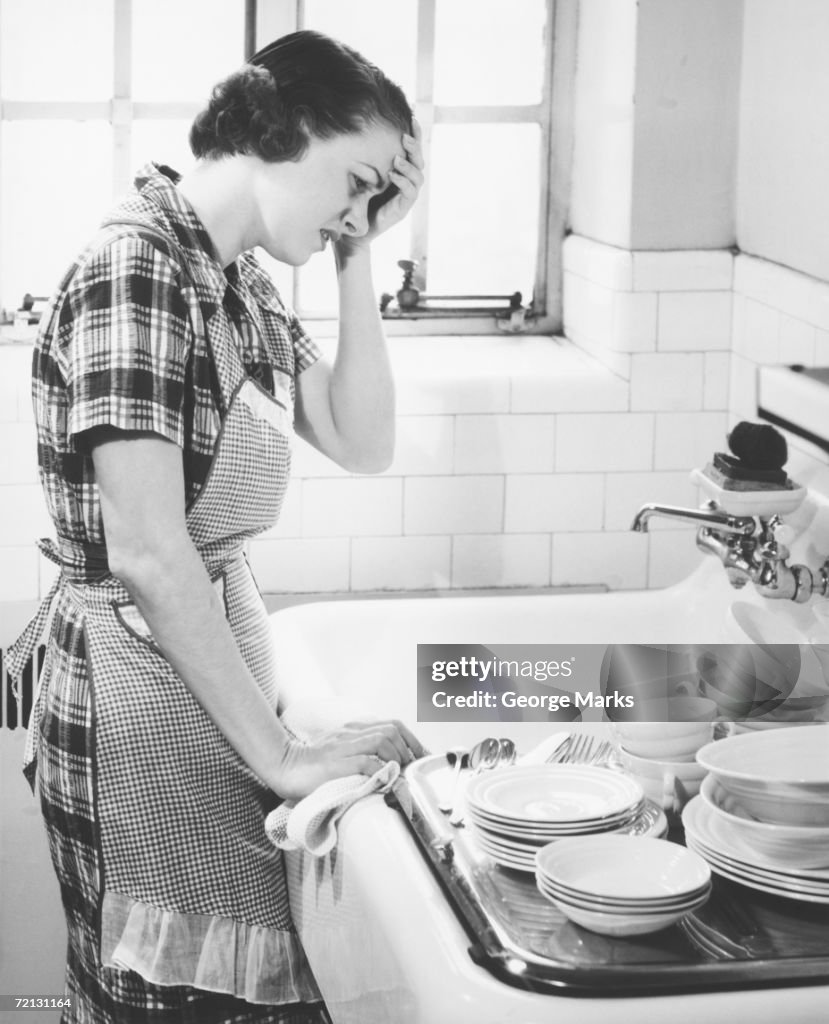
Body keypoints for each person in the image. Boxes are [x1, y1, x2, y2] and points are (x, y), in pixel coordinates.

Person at [9, 29, 426, 1024]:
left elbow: (362, 438)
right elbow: (151, 555)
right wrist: (280, 756)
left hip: (200, 695)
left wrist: (357, 251)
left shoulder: (229, 278)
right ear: (276, 130)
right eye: (354, 181)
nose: (355, 210)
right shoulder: (137, 270)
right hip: (139, 705)